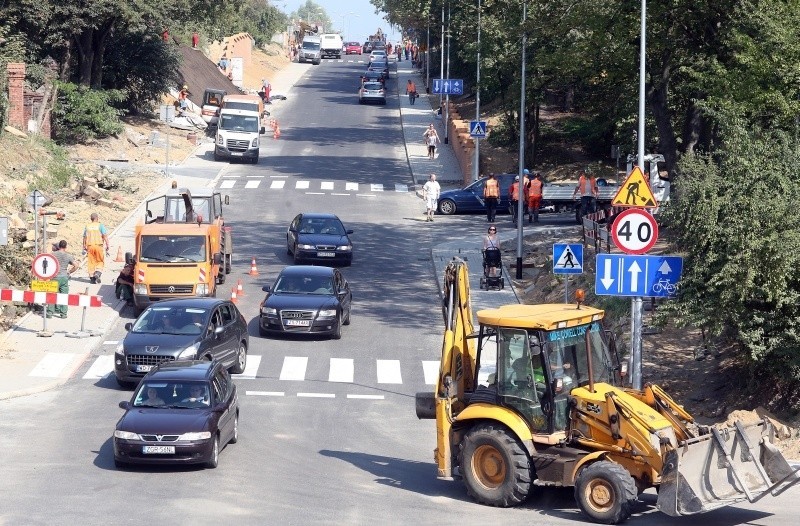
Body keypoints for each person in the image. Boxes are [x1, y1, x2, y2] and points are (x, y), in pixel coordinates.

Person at [47, 240, 78, 318]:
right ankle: (63, 314)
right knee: (64, 296)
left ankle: (50, 312)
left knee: (52, 294)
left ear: (58, 246)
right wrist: (69, 272)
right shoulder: (68, 256)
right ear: (66, 247)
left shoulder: (53, 255)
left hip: (55, 277)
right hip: (64, 277)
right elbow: (76, 266)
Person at [83, 212, 109, 284]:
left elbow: (84, 237)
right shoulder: (100, 226)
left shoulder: (87, 226)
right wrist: (107, 245)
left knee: (91, 262)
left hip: (90, 246)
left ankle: (92, 278)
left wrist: (84, 246)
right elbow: (104, 236)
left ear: (91, 219)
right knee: (100, 260)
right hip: (98, 246)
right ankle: (97, 273)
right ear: (97, 218)